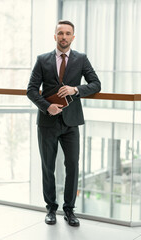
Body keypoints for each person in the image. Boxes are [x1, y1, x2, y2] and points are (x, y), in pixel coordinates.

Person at [27, 20, 101, 227]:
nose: (64, 37)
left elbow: (96, 84)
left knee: (73, 166)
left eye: (68, 33)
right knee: (48, 166)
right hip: (47, 122)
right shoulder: (42, 60)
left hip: (71, 123)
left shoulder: (81, 59)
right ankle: (51, 208)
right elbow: (31, 90)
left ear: (73, 37)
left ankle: (69, 210)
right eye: (60, 33)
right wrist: (46, 107)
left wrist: (75, 90)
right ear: (55, 36)